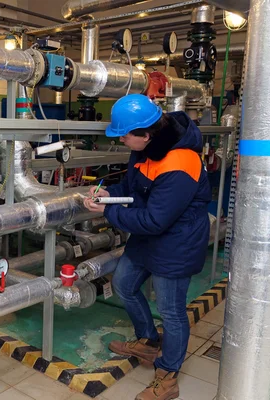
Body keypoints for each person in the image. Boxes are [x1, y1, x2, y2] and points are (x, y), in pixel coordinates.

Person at [84, 94, 211, 400]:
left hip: (176, 243)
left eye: (125, 136)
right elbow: (132, 188)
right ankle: (148, 342)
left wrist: (108, 212)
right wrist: (105, 193)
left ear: (146, 134)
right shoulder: (148, 149)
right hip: (150, 236)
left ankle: (167, 379)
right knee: (124, 285)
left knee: (171, 311)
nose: (122, 141)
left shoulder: (181, 162)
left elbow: (156, 220)